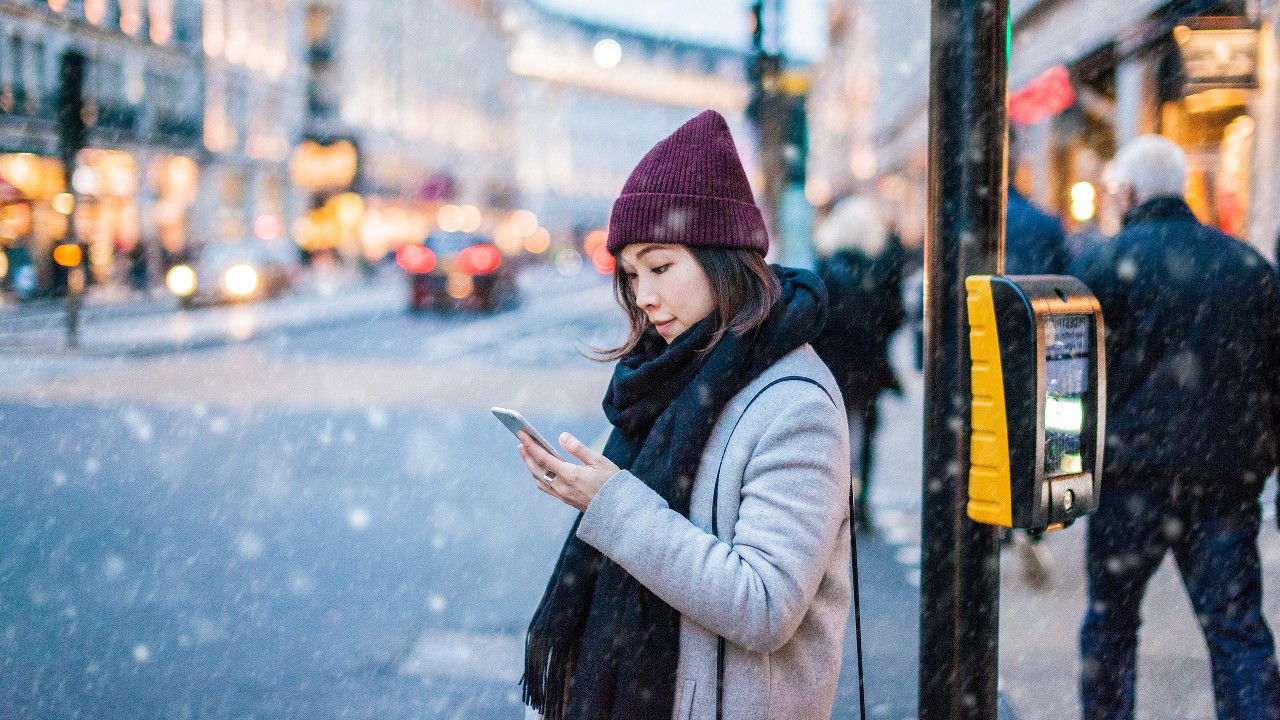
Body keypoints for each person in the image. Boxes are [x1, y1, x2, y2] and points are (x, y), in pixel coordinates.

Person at [509, 110, 852, 720]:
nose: (643, 296)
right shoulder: (674, 377)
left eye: (661, 267)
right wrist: (588, 491)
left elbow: (766, 605)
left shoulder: (795, 405)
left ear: (722, 257)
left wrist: (612, 504)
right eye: (633, 274)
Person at [1070, 134, 1280, 720]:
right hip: (1224, 481)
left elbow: (1070, 374)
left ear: (1131, 193)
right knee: (1237, 631)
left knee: (1111, 625)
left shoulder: (1101, 266)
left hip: (1130, 480)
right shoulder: (1245, 264)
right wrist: (1261, 457)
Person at [810, 195, 904, 532]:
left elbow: (816, 321)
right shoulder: (880, 269)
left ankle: (839, 501)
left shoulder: (824, 268)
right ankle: (861, 503)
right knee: (865, 433)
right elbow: (896, 316)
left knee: (837, 435)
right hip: (868, 363)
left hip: (833, 365)